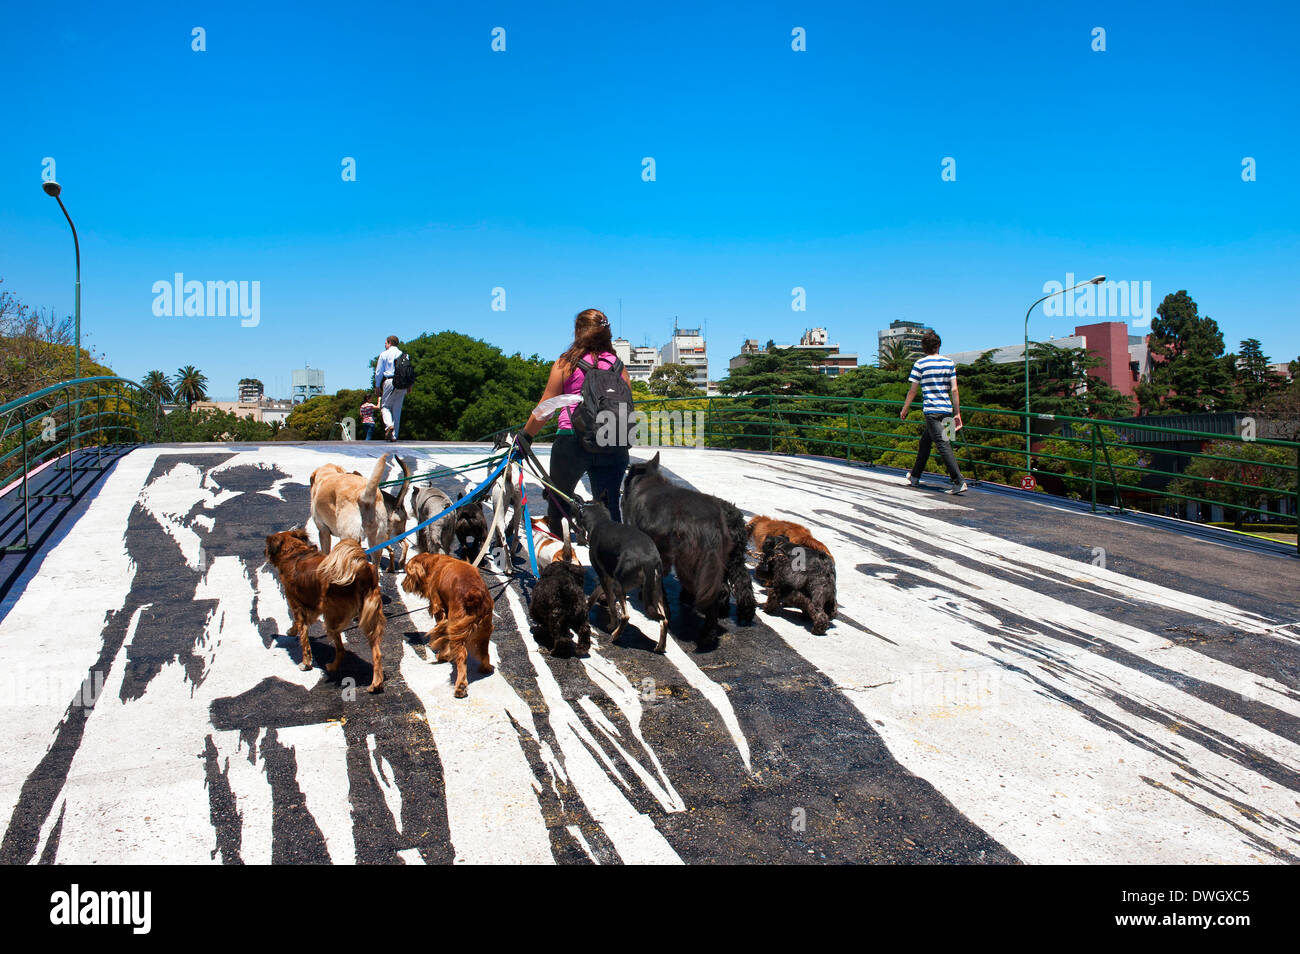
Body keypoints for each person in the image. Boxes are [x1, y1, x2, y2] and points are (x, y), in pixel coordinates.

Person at [517, 309, 632, 534]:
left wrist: (526, 436)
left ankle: (562, 561)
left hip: (572, 441)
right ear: (607, 332)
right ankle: (613, 564)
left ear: (578, 332)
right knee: (609, 509)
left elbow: (546, 408)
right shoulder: (618, 366)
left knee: (558, 506)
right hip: (612, 443)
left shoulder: (566, 364)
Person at [899, 329, 968, 495]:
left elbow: (913, 391)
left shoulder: (920, 364)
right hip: (947, 411)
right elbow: (955, 390)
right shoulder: (949, 363)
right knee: (928, 442)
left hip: (932, 412)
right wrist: (957, 414)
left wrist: (905, 409)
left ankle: (958, 481)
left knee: (943, 445)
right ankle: (914, 477)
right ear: (938, 345)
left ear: (924, 347)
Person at [374, 335, 408, 441]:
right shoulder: (404, 355)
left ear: (389, 342)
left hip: (390, 380)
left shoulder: (384, 354)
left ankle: (389, 425)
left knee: (385, 406)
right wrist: (409, 385)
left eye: (385, 343)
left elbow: (379, 372)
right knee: (397, 410)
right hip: (403, 382)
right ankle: (394, 436)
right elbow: (408, 371)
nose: (385, 345)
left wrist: (378, 386)